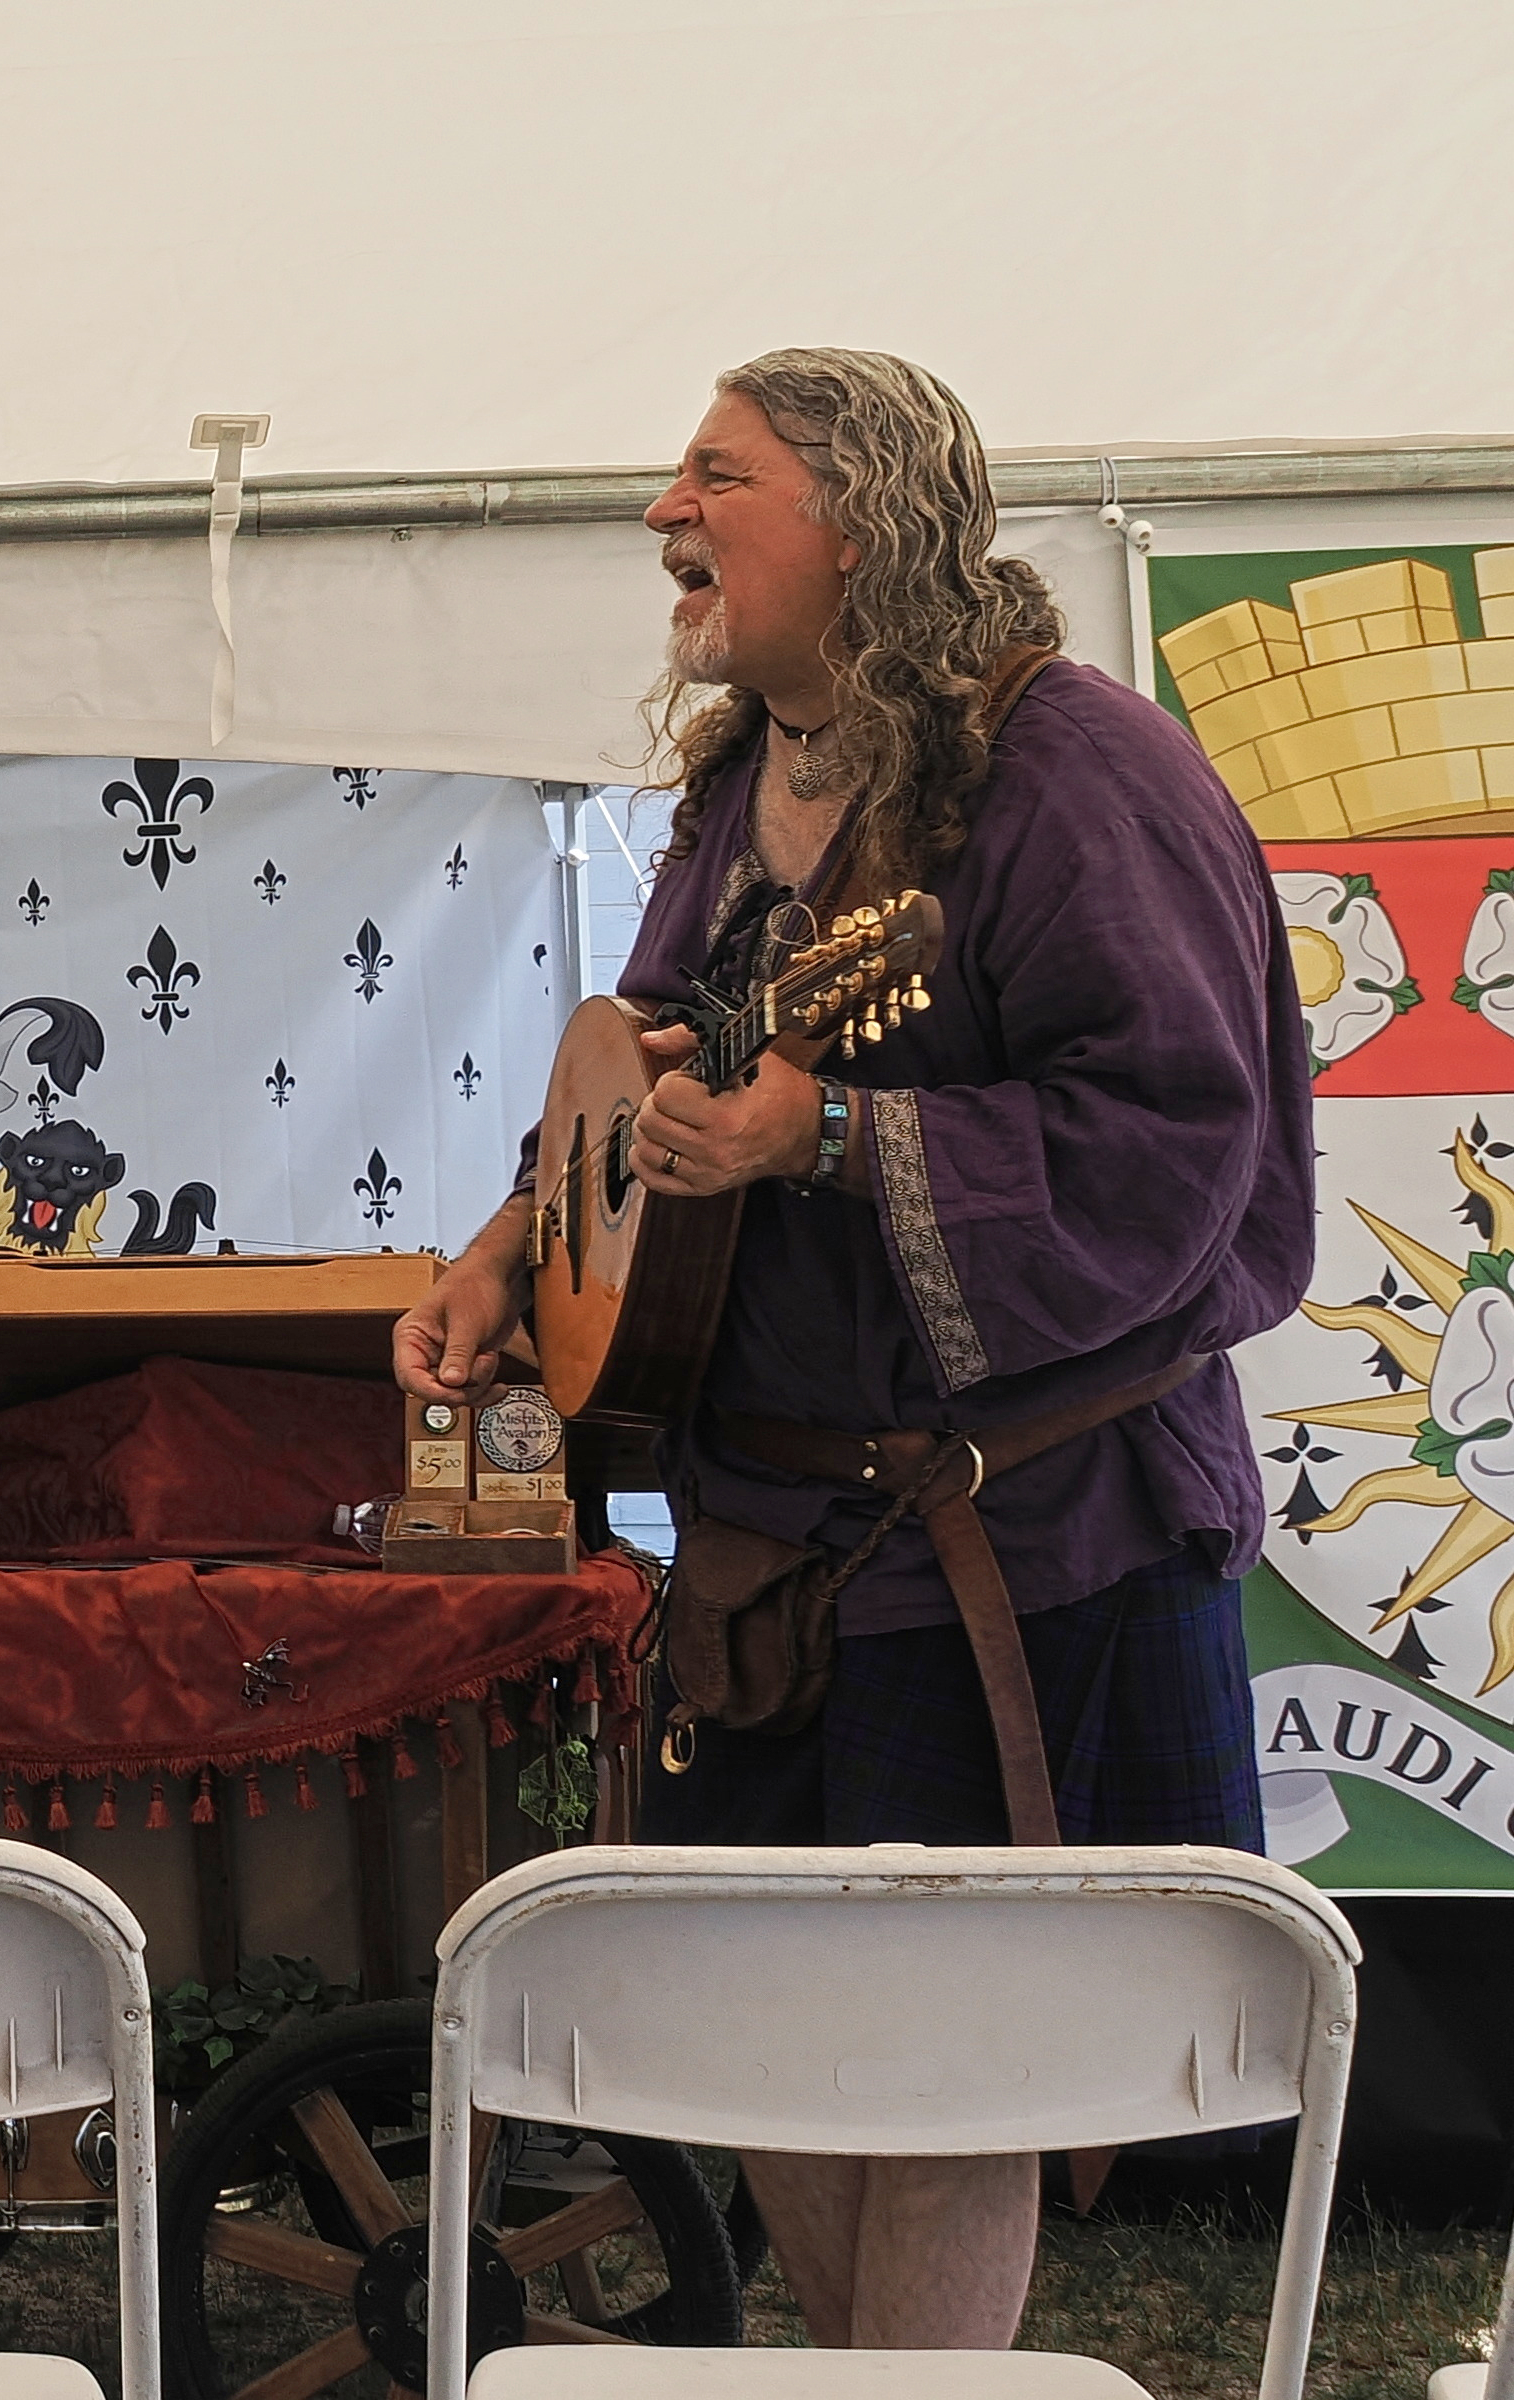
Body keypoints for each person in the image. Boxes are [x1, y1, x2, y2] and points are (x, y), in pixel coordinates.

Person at [395, 351, 1311, 2349]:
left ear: (863, 521)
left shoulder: (1085, 780)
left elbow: (1176, 1146)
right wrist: (505, 1250)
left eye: (714, 476)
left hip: (1016, 1541)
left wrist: (829, 1136)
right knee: (756, 2031)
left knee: (951, 2064)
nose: (664, 513)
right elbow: (645, 1065)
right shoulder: (749, 779)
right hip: (767, 1542)